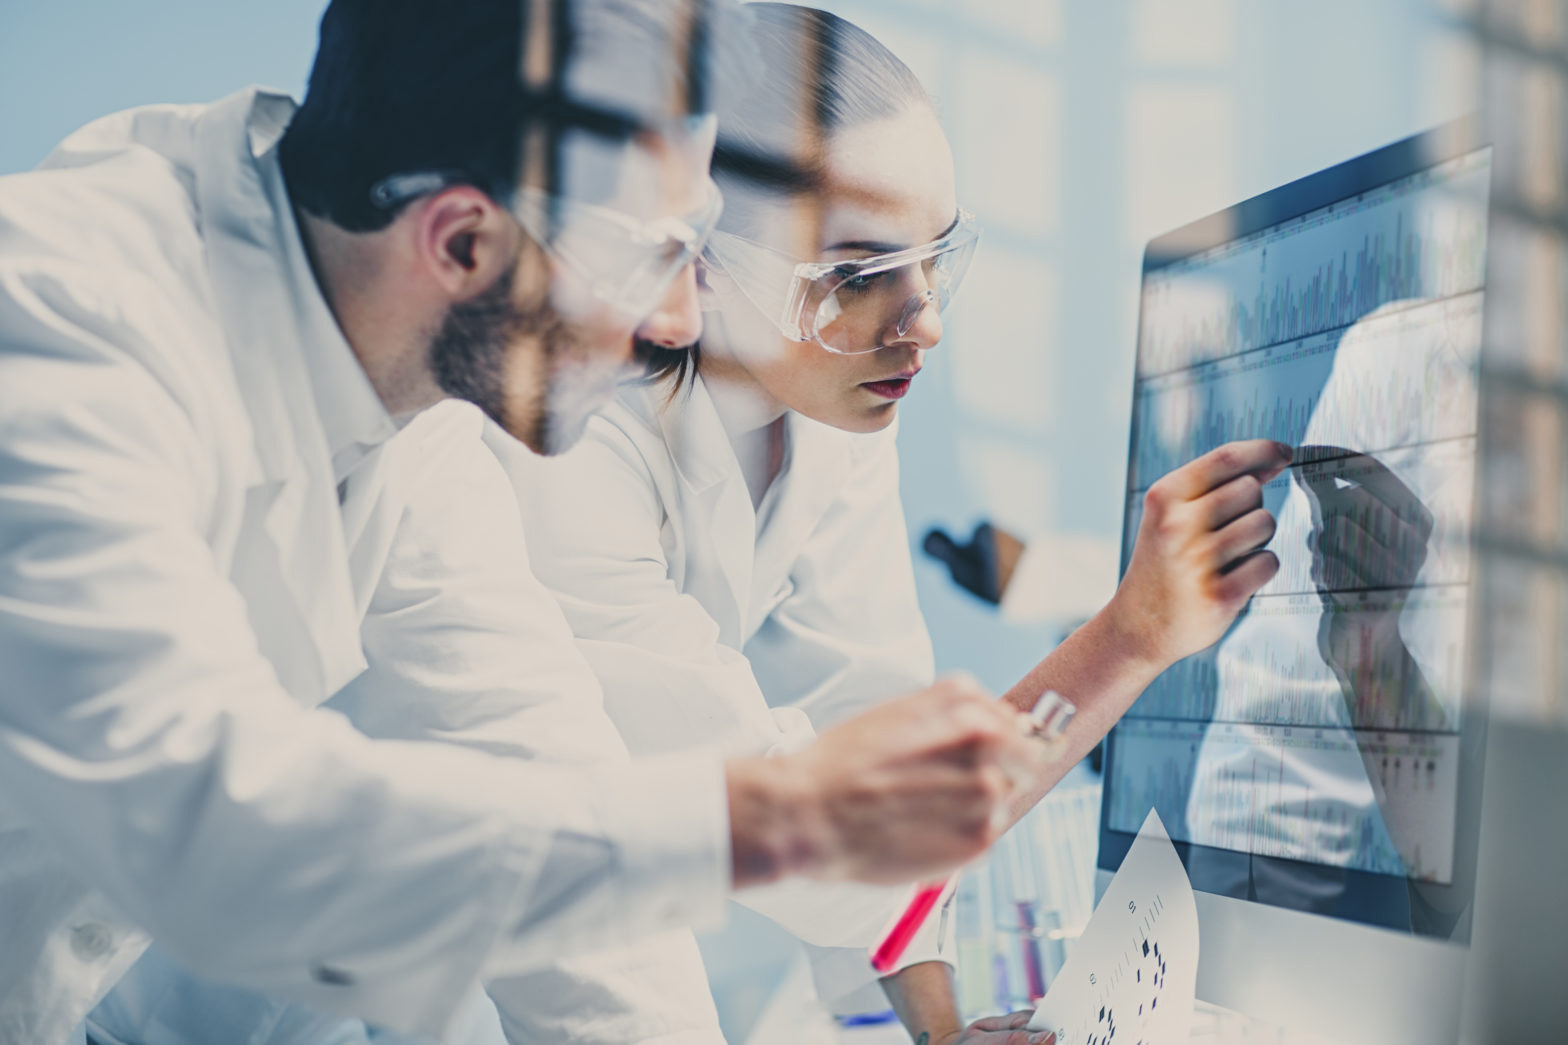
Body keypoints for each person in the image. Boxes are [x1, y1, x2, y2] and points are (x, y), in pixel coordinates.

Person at [0, 2, 1052, 1042]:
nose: (678, 322)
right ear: (463, 239)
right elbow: (204, 825)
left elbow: (539, 762)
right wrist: (772, 818)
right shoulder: (60, 330)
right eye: (652, 258)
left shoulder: (412, 399)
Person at [506, 5, 1292, 1042]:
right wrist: (1130, 638)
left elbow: (862, 716)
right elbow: (803, 819)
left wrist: (942, 1034)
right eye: (857, 276)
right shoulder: (567, 445)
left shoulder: (829, 407)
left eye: (932, 260)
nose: (924, 322)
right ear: (694, 261)